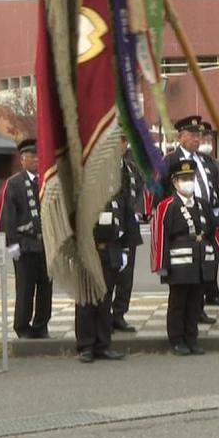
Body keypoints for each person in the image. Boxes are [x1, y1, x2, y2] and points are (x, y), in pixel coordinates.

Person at [153, 159, 219, 356]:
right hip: (179, 262)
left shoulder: (202, 204)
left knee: (195, 302)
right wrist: (161, 265)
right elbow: (160, 235)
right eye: (183, 179)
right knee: (178, 303)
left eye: (190, 178)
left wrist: (213, 255)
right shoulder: (168, 205)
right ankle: (176, 340)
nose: (188, 182)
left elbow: (211, 231)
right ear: (174, 182)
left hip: (200, 260)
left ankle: (192, 338)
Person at [163, 116, 219, 324]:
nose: (197, 139)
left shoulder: (206, 160)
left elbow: (213, 187)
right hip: (181, 221)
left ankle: (199, 310)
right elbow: (160, 191)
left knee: (203, 268)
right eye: (192, 135)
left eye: (199, 135)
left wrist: (217, 212)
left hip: (205, 218)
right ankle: (181, 322)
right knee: (184, 275)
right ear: (181, 137)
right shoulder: (171, 160)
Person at [77, 147, 134, 364]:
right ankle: (85, 346)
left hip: (111, 251)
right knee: (87, 300)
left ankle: (103, 344)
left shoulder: (117, 192)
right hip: (90, 252)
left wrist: (126, 248)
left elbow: (127, 219)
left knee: (104, 300)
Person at [0, 139, 53, 339]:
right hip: (24, 244)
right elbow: (8, 217)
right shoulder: (14, 183)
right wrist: (11, 245)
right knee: (25, 288)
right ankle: (22, 326)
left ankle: (42, 324)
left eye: (39, 156)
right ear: (22, 159)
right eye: (32, 156)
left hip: (45, 244)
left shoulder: (46, 182)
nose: (37, 160)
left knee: (45, 287)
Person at [112, 139, 146, 332]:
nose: (122, 144)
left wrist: (137, 211)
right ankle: (103, 315)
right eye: (118, 139)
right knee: (109, 273)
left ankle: (119, 313)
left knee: (126, 275)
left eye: (125, 140)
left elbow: (140, 192)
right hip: (109, 225)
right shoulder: (101, 169)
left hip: (129, 225)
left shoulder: (131, 168)